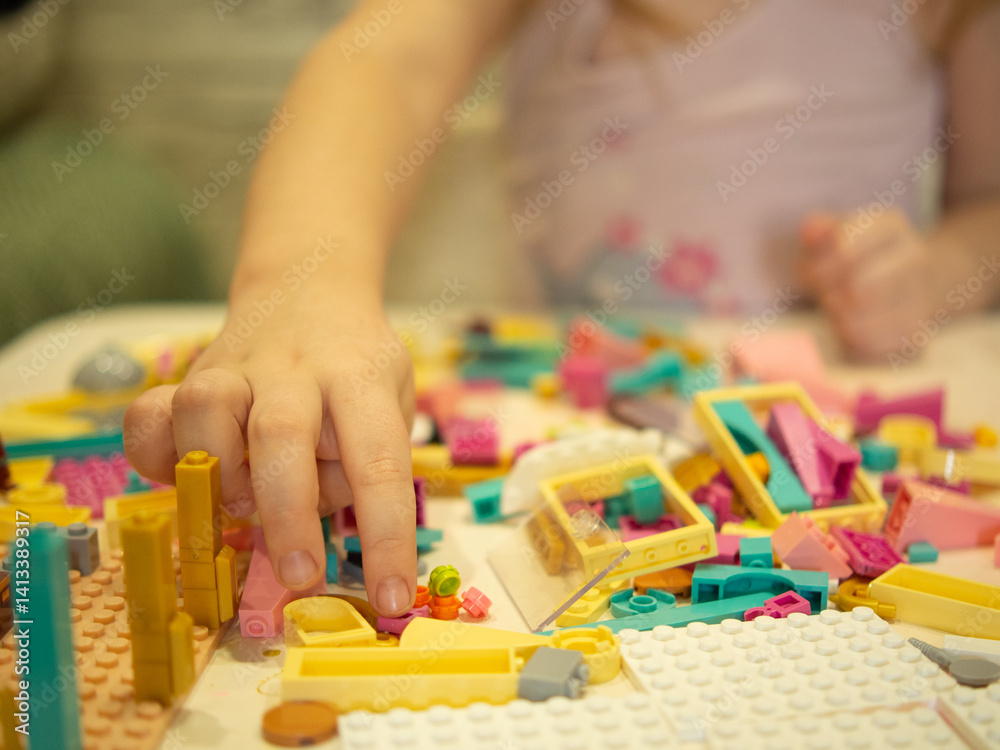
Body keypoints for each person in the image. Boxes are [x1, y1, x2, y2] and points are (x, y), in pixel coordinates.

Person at [125, 0, 1000, 617]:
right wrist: (299, 287)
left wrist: (939, 270)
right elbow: (387, 62)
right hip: (561, 403)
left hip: (834, 398)